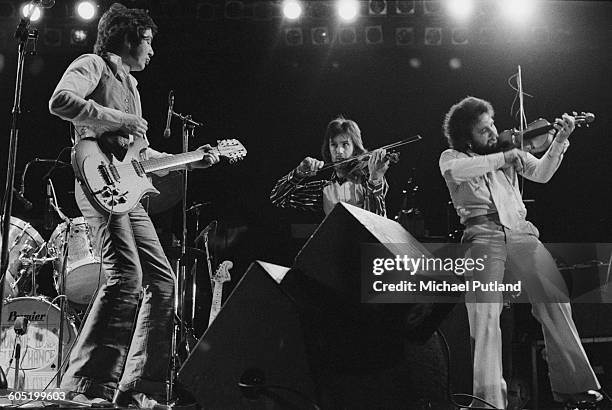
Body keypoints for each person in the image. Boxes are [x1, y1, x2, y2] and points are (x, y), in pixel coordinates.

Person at [49, 4, 219, 408]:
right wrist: (118, 119)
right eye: (147, 41)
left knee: (162, 281)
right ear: (127, 38)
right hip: (97, 185)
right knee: (126, 275)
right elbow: (60, 101)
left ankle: (140, 388)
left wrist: (194, 157)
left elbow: (138, 158)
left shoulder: (134, 88)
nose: (152, 51)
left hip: (126, 193)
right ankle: (87, 387)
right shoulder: (93, 64)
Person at [439, 96, 601, 408]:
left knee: (555, 298)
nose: (492, 133)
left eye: (492, 125)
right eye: (483, 130)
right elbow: (459, 173)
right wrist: (506, 155)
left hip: (520, 232)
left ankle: (575, 387)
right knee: (484, 315)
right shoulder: (452, 156)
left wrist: (560, 140)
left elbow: (541, 173)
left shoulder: (507, 152)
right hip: (482, 236)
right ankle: (487, 401)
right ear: (465, 135)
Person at [270, 116, 389, 216]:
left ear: (355, 148)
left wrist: (375, 179)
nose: (339, 151)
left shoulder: (369, 180)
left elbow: (377, 222)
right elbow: (278, 197)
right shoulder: (324, 189)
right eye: (334, 145)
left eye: (345, 144)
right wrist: (299, 172)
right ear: (328, 149)